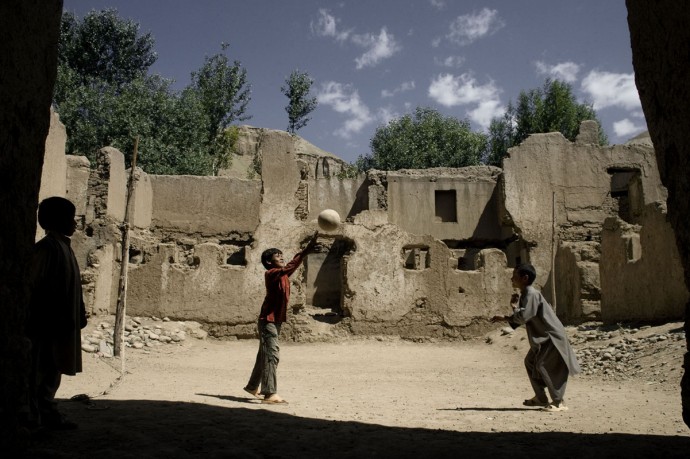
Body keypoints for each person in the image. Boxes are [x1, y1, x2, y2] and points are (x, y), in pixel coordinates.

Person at [26, 197, 87, 430]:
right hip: (46, 324)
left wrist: (79, 311)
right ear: (57, 220)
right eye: (70, 218)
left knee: (53, 370)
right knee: (38, 372)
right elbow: (33, 285)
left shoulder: (64, 247)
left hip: (61, 324)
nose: (75, 223)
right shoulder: (47, 249)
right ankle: (35, 419)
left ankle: (48, 412)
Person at [492, 263, 580, 412]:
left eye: (514, 275)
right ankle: (541, 398)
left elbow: (524, 317)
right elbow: (526, 315)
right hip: (542, 338)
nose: (511, 278)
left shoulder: (531, 294)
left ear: (524, 278)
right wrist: (514, 308)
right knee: (530, 362)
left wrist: (505, 318)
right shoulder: (526, 294)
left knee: (542, 365)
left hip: (550, 337)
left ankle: (559, 402)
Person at [244, 232, 318, 404]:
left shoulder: (282, 275)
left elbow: (289, 267)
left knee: (264, 354)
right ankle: (270, 393)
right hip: (268, 320)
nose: (282, 258)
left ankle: (252, 386)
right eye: (278, 256)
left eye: (282, 255)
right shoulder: (272, 273)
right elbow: (290, 266)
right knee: (272, 354)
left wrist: (305, 251)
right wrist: (305, 251)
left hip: (274, 320)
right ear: (270, 262)